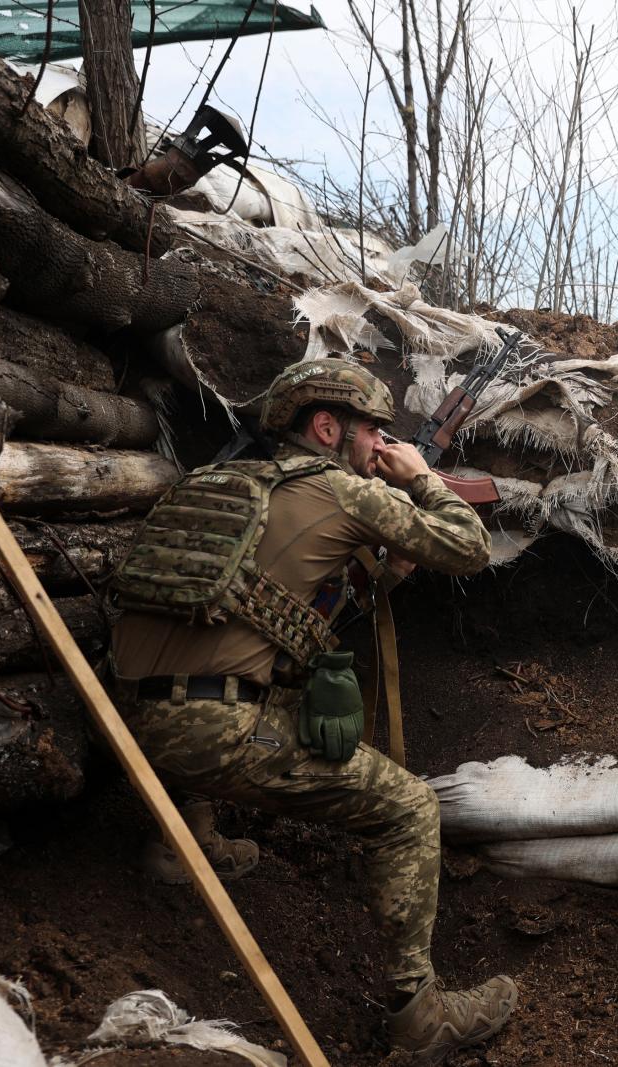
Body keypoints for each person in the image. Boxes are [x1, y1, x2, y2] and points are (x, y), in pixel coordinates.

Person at [108, 357, 517, 1062]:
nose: (380, 449)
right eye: (373, 436)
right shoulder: (341, 491)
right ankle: (420, 1012)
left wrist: (380, 573)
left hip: (129, 726)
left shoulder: (218, 484)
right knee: (412, 807)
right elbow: (470, 546)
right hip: (217, 735)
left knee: (260, 685)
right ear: (327, 427)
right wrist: (419, 475)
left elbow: (272, 618)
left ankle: (183, 840)